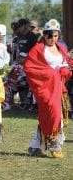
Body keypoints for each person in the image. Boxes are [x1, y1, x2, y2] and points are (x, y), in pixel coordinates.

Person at [24, 19, 71, 158]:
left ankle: (35, 146)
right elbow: (29, 67)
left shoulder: (61, 49)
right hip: (44, 88)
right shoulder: (38, 49)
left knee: (50, 116)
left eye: (55, 35)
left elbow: (64, 65)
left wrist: (65, 71)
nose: (52, 38)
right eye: (49, 35)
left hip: (59, 88)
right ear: (44, 35)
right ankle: (53, 143)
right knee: (53, 113)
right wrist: (51, 73)